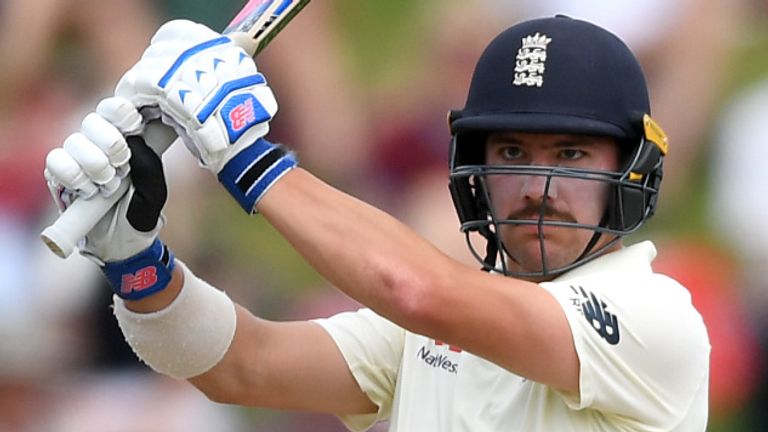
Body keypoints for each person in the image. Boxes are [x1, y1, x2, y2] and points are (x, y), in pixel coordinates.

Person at [43, 15, 711, 431]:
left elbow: (415, 290)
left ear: (632, 169)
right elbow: (243, 366)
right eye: (511, 153)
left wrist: (244, 152)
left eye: (570, 154)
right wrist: (135, 262)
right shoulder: (430, 332)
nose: (538, 186)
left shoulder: (656, 317)